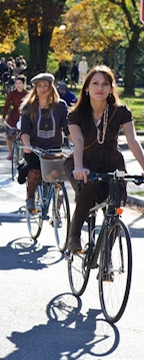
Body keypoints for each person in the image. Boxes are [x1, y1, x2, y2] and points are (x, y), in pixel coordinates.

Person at [67, 65, 144, 252]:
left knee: (114, 205)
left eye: (105, 84)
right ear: (86, 88)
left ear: (111, 88)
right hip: (82, 161)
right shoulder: (76, 114)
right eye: (95, 83)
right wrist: (78, 167)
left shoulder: (121, 112)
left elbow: (132, 141)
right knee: (89, 182)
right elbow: (77, 141)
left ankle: (107, 258)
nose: (100, 88)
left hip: (111, 163)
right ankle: (74, 236)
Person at [19, 73, 69, 211]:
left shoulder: (60, 106)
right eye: (39, 86)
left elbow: (68, 128)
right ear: (35, 88)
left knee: (59, 175)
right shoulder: (28, 107)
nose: (42, 89)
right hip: (35, 149)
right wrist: (27, 145)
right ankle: (30, 198)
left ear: (51, 87)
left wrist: (77, 144)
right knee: (35, 170)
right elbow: (24, 131)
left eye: (46, 85)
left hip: (54, 149)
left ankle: (57, 210)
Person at [0, 75, 28, 160]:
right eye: (16, 83)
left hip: (24, 116)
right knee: (8, 134)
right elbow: (6, 106)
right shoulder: (12, 94)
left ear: (24, 84)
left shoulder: (28, 94)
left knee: (24, 135)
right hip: (14, 115)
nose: (18, 85)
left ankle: (24, 155)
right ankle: (11, 153)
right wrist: (3, 117)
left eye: (20, 83)